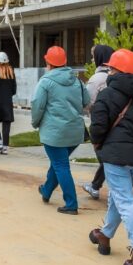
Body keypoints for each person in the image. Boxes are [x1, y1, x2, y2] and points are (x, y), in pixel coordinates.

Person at [87, 49, 133, 265]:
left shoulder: (107, 93)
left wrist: (97, 143)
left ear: (114, 69)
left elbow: (97, 127)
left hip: (115, 156)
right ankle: (105, 236)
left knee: (125, 202)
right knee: (118, 197)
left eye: (110, 67)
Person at [31, 46, 89, 215]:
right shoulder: (77, 80)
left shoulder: (45, 82)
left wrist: (35, 123)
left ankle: (71, 204)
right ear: (64, 62)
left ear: (48, 62)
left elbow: (37, 105)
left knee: (60, 165)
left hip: (54, 132)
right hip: (75, 132)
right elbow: (86, 100)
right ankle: (47, 190)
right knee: (58, 162)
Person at [82, 44, 115, 199]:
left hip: (100, 122)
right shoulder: (116, 75)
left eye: (93, 56)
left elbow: (88, 103)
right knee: (107, 159)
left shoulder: (96, 79)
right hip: (116, 122)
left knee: (105, 159)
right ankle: (96, 185)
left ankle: (99, 187)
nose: (92, 59)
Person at [0, 52, 17, 155]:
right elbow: (14, 90)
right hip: (7, 102)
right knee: (6, 125)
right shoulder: (11, 73)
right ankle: (5, 148)